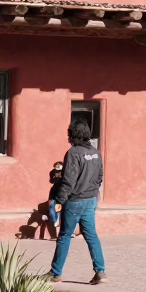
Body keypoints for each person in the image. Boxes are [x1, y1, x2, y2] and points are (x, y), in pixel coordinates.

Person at [48, 120, 106, 283]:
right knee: (91, 235)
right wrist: (93, 193)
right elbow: (100, 177)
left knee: (65, 235)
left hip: (74, 201)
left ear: (74, 135)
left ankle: (55, 273)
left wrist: (59, 199)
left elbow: (69, 180)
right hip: (90, 200)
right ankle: (100, 271)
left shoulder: (73, 153)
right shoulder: (95, 152)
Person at [43, 161, 64, 239]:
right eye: (56, 165)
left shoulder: (65, 171)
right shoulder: (52, 172)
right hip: (53, 192)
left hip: (61, 192)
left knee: (58, 209)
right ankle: (55, 221)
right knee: (51, 207)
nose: (57, 167)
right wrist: (56, 179)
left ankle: (57, 222)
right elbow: (51, 180)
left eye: (59, 165)